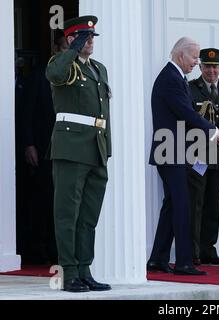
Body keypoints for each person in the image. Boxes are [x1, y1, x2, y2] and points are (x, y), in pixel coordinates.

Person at [147, 37, 219, 276]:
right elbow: (186, 113)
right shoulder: (171, 78)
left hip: (174, 151)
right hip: (170, 152)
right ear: (181, 55)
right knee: (182, 205)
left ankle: (158, 258)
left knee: (172, 206)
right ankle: (183, 262)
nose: (196, 62)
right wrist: (213, 131)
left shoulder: (176, 77)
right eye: (194, 57)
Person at [46, 15, 112, 292]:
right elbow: (55, 75)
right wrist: (70, 50)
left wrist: (107, 148)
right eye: (85, 37)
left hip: (96, 148)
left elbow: (103, 112)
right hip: (71, 148)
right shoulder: (62, 63)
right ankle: (68, 271)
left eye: (93, 37)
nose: (91, 43)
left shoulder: (98, 69)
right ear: (73, 39)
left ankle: (84, 269)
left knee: (88, 215)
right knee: (67, 213)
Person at [21, 30, 69, 265]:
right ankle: (38, 247)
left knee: (64, 200)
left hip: (67, 149)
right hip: (43, 147)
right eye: (63, 48)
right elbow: (26, 113)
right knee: (43, 199)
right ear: (55, 49)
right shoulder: (39, 76)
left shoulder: (75, 76)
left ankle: (57, 248)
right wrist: (28, 143)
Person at [188, 48, 219, 265]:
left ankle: (209, 249)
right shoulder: (190, 88)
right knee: (196, 203)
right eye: (207, 66)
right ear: (200, 67)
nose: (211, 70)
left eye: (215, 66)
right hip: (198, 154)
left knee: (214, 204)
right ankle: (194, 251)